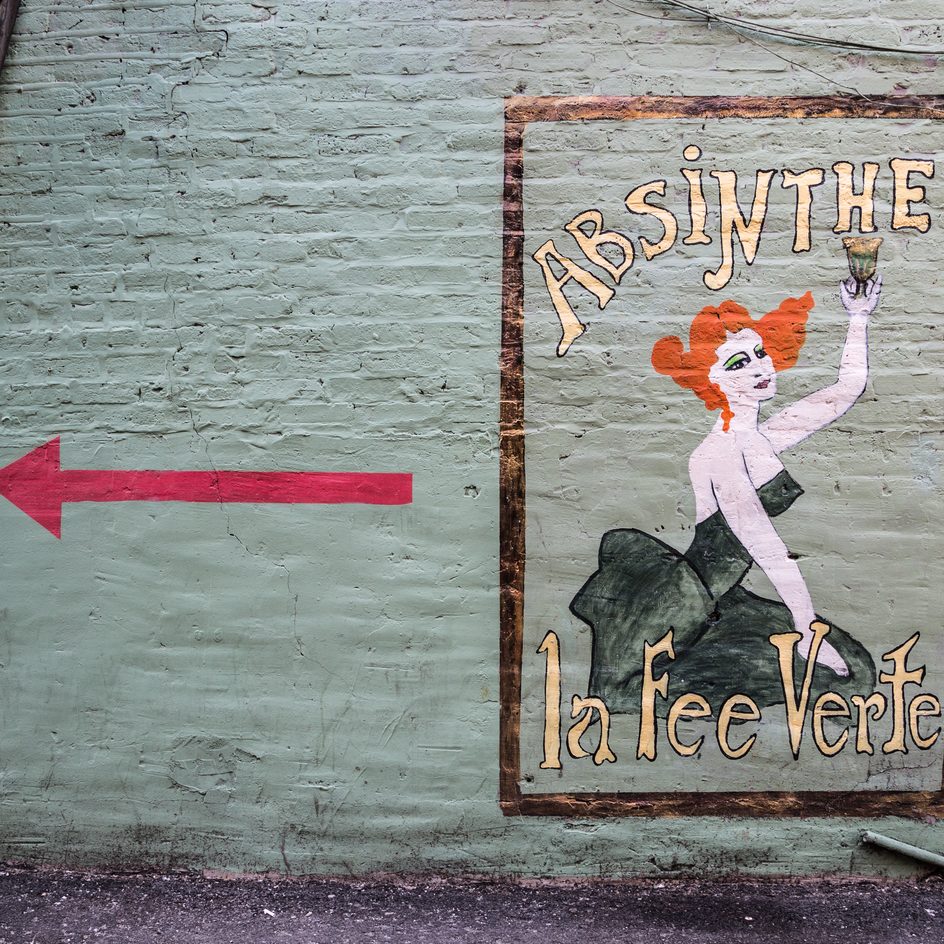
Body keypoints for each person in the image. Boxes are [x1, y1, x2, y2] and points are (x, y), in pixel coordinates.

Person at [570, 277, 881, 714]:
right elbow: (765, 547)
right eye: (738, 363)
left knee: (851, 668)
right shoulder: (719, 454)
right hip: (680, 609)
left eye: (760, 353)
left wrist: (858, 317)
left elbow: (844, 391)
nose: (759, 367)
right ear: (710, 379)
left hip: (719, 600)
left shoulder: (761, 436)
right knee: (841, 676)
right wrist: (806, 628)